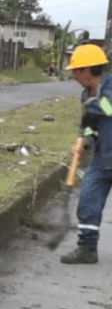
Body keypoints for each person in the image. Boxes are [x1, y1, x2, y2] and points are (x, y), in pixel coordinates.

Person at [60, 43, 112, 264]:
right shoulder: (86, 94)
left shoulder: (109, 88)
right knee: (88, 199)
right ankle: (87, 249)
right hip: (103, 157)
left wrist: (93, 104)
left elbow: (109, 109)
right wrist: (85, 143)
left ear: (88, 69)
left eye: (76, 70)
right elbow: (92, 127)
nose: (73, 75)